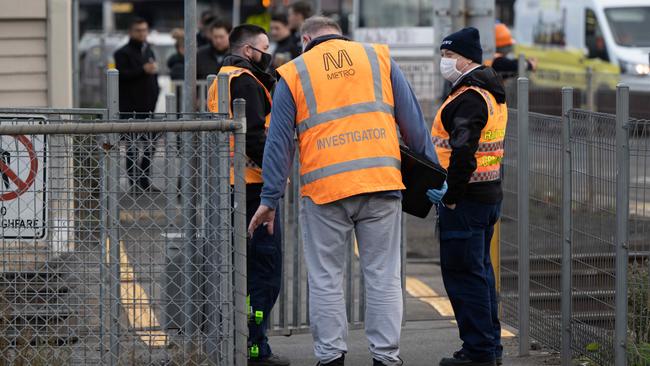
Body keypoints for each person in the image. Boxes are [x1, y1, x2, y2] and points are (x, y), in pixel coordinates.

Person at [248, 16, 442, 366]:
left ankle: (330, 357)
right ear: (339, 34)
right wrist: (433, 173)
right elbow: (412, 122)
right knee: (383, 276)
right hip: (381, 183)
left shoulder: (294, 72)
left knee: (326, 279)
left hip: (326, 190)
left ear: (305, 38)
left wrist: (270, 199)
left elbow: (278, 144)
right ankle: (386, 357)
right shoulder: (378, 58)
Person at [207, 24, 290, 366]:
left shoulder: (222, 77)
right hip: (253, 185)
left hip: (231, 183)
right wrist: (275, 176)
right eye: (264, 48)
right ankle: (255, 349)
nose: (268, 54)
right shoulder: (245, 80)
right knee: (263, 273)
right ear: (248, 51)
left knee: (246, 270)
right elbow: (254, 137)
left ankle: (245, 343)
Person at [429, 27, 508, 366]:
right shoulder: (489, 93)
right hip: (487, 195)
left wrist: (451, 195)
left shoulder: (469, 97)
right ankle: (489, 348)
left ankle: (478, 352)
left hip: (466, 201)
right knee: (480, 275)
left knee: (465, 277)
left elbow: (463, 150)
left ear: (463, 59)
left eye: (447, 56)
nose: (444, 62)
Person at [114, 17, 160, 192]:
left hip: (148, 107)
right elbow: (122, 76)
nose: (142, 34)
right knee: (132, 146)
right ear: (131, 32)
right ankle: (134, 183)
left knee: (150, 144)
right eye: (138, 30)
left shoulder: (148, 50)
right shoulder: (122, 53)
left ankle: (144, 179)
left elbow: (153, 75)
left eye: (144, 30)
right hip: (130, 108)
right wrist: (142, 70)